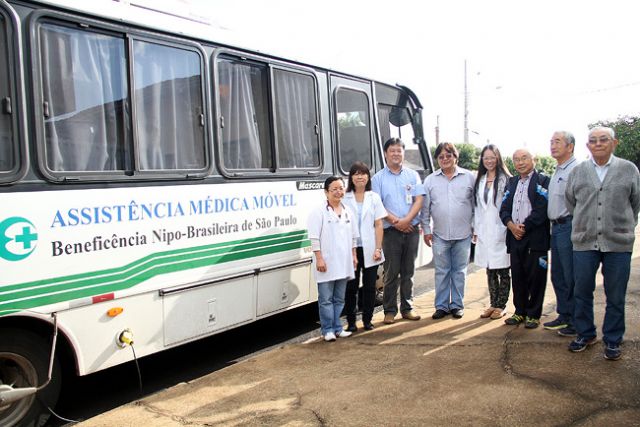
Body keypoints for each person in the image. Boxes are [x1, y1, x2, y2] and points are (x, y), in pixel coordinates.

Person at [565, 126, 639, 360]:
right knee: (582, 290)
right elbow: (571, 202)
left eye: (603, 139)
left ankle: (613, 339)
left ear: (614, 143)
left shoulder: (628, 169)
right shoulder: (578, 171)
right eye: (593, 140)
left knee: (615, 294)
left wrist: (623, 225)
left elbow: (635, 202)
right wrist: (584, 224)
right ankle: (585, 334)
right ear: (587, 146)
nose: (598, 144)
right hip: (584, 241)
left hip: (618, 243)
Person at [372, 137, 425, 324]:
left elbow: (419, 199)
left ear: (403, 153)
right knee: (391, 272)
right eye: (392, 150)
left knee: (408, 272)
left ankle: (407, 308)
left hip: (411, 229)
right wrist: (396, 222)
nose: (396, 153)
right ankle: (389, 310)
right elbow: (377, 205)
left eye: (399, 150)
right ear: (386, 153)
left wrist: (407, 220)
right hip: (390, 232)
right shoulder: (377, 178)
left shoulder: (413, 175)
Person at [422, 142, 475, 319]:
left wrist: (475, 226)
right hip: (439, 235)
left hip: (464, 234)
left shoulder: (469, 177)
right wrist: (426, 229)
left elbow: (476, 205)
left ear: (455, 157)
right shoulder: (430, 180)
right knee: (442, 271)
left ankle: (457, 305)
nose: (445, 159)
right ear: (437, 159)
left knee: (459, 271)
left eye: (448, 155)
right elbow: (425, 209)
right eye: (441, 156)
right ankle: (441, 306)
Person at [499, 149, 550, 329]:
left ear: (533, 159)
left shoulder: (543, 181)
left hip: (535, 238)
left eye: (524, 158)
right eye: (516, 159)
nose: (520, 162)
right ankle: (519, 311)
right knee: (518, 277)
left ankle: (534, 314)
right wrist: (511, 225)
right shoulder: (512, 183)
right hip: (515, 237)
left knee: (536, 277)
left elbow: (542, 208)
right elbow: (504, 208)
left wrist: (525, 227)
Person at [307, 176, 359, 342]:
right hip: (326, 263)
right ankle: (327, 329)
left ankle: (337, 327)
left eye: (341, 188)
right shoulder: (318, 211)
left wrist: (354, 256)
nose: (338, 192)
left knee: (339, 298)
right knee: (325, 299)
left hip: (343, 263)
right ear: (326, 192)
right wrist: (319, 259)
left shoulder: (348, 211)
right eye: (334, 189)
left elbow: (353, 238)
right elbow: (314, 238)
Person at [343, 162, 387, 332]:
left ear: (368, 177)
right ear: (351, 177)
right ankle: (352, 322)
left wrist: (378, 248)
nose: (360, 176)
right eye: (356, 174)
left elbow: (378, 225)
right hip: (351, 249)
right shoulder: (344, 198)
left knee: (369, 287)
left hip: (370, 249)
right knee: (351, 288)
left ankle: (368, 320)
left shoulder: (374, 197)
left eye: (363, 173)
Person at [543, 131, 579, 336]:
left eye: (557, 142)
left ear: (570, 146)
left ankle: (574, 321)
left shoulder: (576, 169)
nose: (552, 145)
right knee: (558, 275)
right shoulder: (558, 169)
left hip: (569, 226)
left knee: (570, 275)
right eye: (551, 142)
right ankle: (564, 315)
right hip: (555, 228)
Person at [472, 144, 511, 320]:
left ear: (498, 158)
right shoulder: (479, 179)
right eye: (486, 158)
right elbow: (478, 207)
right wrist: (476, 228)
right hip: (484, 230)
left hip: (501, 229)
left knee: (503, 269)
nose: (489, 161)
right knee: (489, 269)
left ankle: (501, 305)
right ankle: (492, 303)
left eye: (492, 157)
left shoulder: (507, 179)